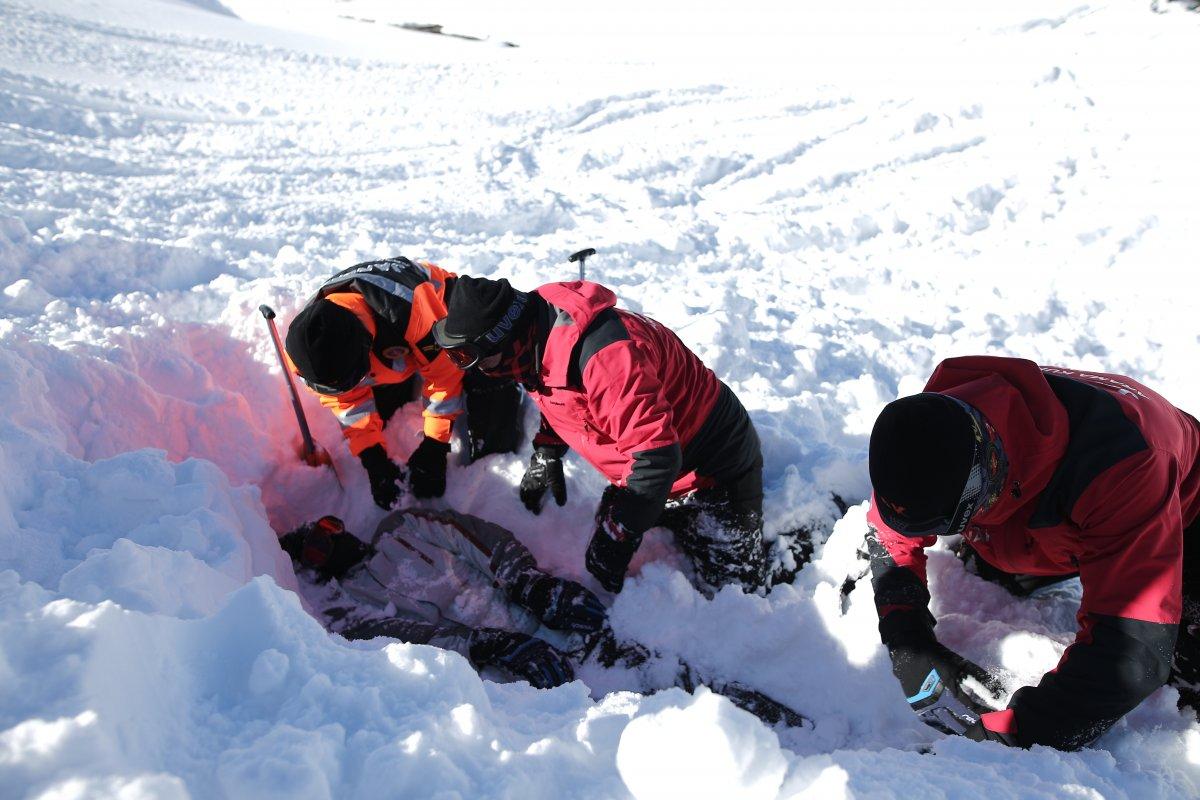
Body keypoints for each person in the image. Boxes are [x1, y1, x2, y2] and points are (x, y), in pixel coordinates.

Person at [865, 355, 1200, 750]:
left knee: (1183, 677)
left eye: (948, 525)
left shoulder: (1124, 466)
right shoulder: (930, 430)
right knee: (988, 565)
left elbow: (1132, 652)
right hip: (1048, 515)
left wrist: (1013, 734)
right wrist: (907, 636)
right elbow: (890, 536)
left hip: (1177, 516)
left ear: (986, 481)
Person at [280, 509, 809, 727]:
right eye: (321, 547)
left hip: (554, 622)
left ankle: (777, 724)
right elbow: (414, 638)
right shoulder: (354, 606)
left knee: (665, 675)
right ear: (315, 566)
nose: (337, 539)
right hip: (520, 680)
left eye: (331, 527)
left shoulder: (404, 525)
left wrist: (531, 584)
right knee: (637, 719)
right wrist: (490, 648)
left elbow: (486, 542)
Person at [430, 276, 780, 595]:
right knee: (623, 527)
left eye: (477, 359)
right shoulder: (534, 339)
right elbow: (559, 395)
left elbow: (656, 457)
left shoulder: (605, 360)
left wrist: (620, 536)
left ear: (505, 340)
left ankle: (800, 541)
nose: (478, 372)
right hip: (652, 464)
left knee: (734, 591)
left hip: (712, 463)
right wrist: (548, 450)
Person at [283, 257, 522, 506]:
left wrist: (435, 445)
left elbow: (444, 377)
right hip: (394, 343)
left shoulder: (411, 310)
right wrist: (372, 456)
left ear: (366, 345)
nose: (351, 387)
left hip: (444, 317)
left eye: (356, 379)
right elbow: (348, 404)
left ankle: (494, 468)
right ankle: (403, 379)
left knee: (485, 384)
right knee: (382, 419)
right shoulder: (306, 355)